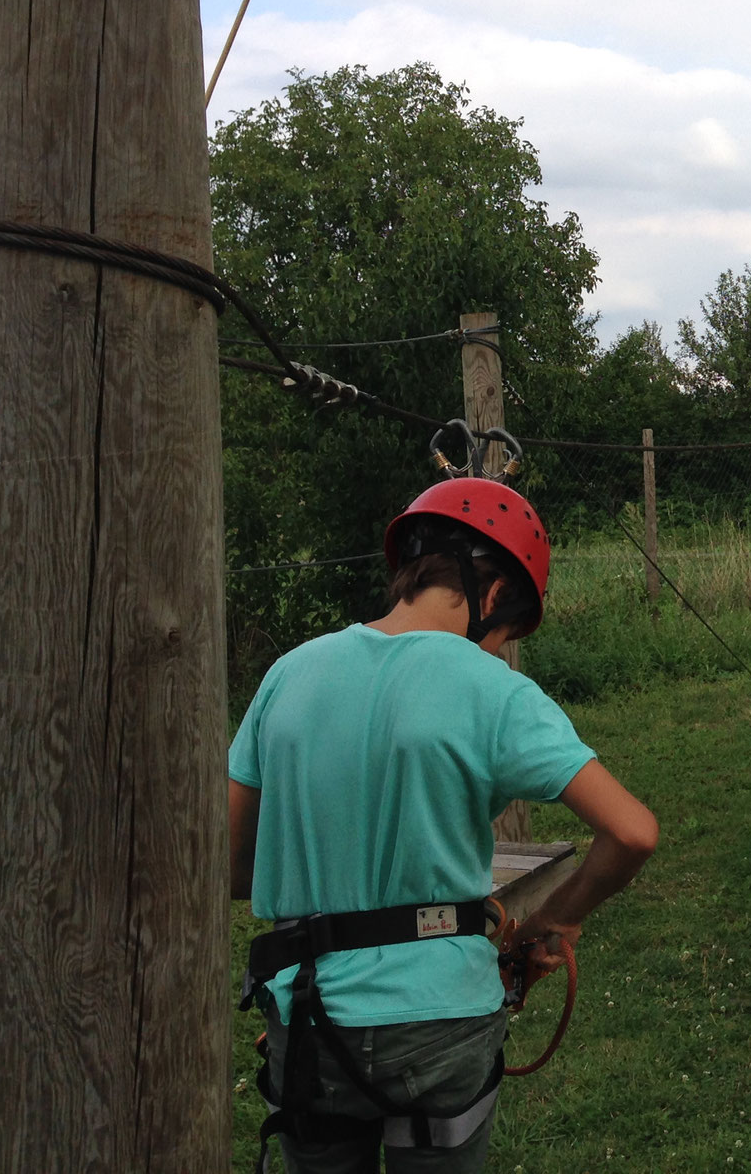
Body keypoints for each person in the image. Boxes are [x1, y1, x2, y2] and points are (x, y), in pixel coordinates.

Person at [229, 476, 659, 1174]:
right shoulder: (493, 689)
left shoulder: (288, 674)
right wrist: (556, 918)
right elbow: (633, 831)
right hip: (440, 1023)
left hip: (308, 1016)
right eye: (504, 636)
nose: (495, 652)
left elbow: (230, 864)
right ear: (492, 596)